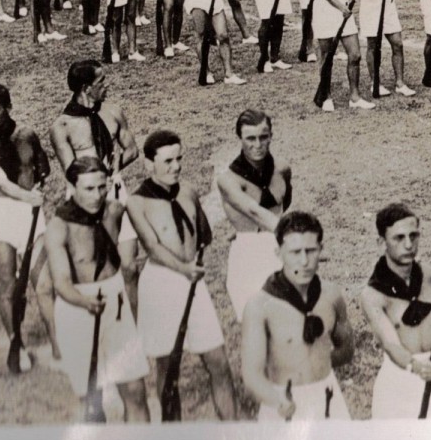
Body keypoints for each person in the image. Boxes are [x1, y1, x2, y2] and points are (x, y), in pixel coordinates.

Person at [125, 130, 237, 420]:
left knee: (218, 363)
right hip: (162, 284)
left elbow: (204, 233)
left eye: (179, 159)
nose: (176, 166)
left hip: (193, 285)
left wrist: (198, 257)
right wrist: (184, 269)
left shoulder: (188, 191)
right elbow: (151, 246)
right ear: (149, 164)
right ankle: (171, 432)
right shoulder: (137, 202)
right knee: (167, 366)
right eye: (167, 161)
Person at [43, 157, 151, 422]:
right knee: (92, 403)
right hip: (79, 309)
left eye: (102, 187)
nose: (97, 195)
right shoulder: (59, 227)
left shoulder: (114, 210)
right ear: (72, 186)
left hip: (114, 304)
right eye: (89, 189)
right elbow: (62, 284)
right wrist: (86, 302)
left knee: (136, 391)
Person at [0, 82, 58, 369]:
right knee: (8, 284)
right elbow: (0, 182)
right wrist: (29, 197)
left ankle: (60, 347)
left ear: (7, 107)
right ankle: (15, 342)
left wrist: (40, 184)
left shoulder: (27, 134)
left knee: (44, 284)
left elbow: (43, 168)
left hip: (32, 214)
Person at [240, 210, 355, 420]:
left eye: (311, 251)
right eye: (295, 252)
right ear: (278, 253)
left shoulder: (331, 295)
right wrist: (276, 400)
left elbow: (346, 349)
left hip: (327, 396)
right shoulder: (260, 305)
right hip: (283, 401)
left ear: (321, 249)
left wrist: (317, 364)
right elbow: (251, 375)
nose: (304, 261)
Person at [50, 59, 143, 296]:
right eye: (101, 81)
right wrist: (99, 175)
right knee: (93, 270)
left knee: (129, 267)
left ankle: (135, 326)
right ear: (85, 88)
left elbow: (132, 149)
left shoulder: (113, 112)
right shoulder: (62, 126)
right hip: (85, 197)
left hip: (116, 191)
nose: (107, 84)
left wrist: (115, 166)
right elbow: (71, 170)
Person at [359, 203, 431, 419]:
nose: (409, 244)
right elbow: (391, 344)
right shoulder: (373, 295)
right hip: (398, 383)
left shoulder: (427, 275)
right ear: (381, 242)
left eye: (414, 236)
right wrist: (415, 366)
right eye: (399, 238)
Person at [214, 108, 293, 322]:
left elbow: (284, 203)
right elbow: (253, 211)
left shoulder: (282, 168)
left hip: (280, 247)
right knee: (258, 326)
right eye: (250, 138)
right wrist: (295, 236)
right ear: (240, 138)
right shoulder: (228, 180)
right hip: (249, 253)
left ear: (271, 136)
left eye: (263, 137)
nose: (257, 145)